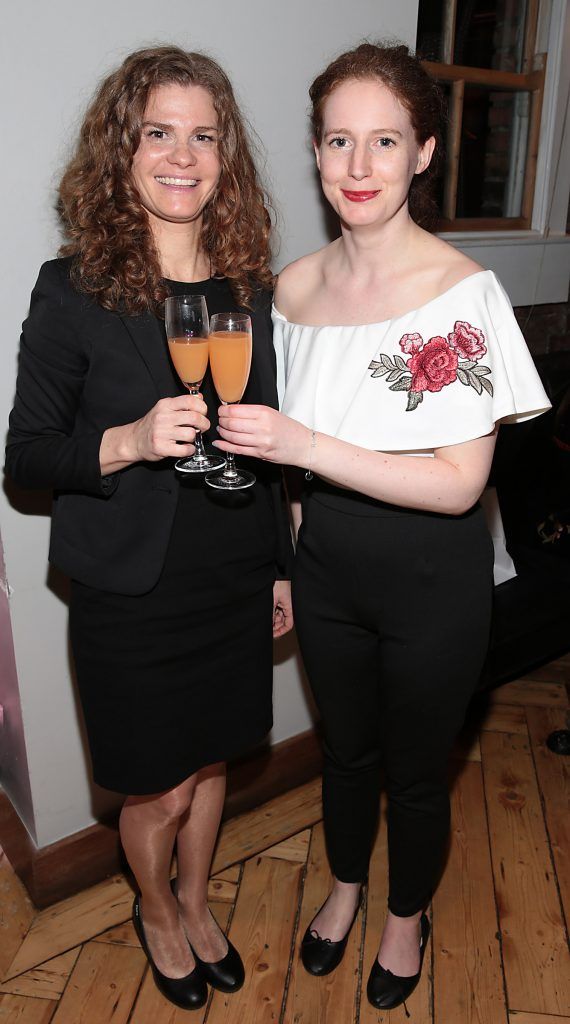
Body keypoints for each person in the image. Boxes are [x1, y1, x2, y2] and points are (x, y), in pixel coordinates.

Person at [211, 42, 550, 1012]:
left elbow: (456, 486)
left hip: (433, 583)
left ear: (425, 154)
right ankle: (348, 885)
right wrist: (286, 559)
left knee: (415, 768)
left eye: (385, 142)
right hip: (325, 570)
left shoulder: (463, 294)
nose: (359, 168)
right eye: (339, 142)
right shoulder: (294, 289)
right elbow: (288, 472)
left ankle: (405, 914)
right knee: (345, 751)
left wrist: (303, 441)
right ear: (317, 154)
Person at [5, 46, 293, 1012]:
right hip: (131, 585)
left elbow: (272, 446)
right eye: (158, 132)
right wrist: (126, 440)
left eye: (203, 135)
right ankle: (158, 911)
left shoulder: (247, 284)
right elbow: (27, 458)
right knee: (155, 788)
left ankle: (200, 900)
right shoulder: (71, 286)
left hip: (233, 567)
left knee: (213, 762)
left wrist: (282, 568)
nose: (182, 155)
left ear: (226, 156)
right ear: (121, 148)